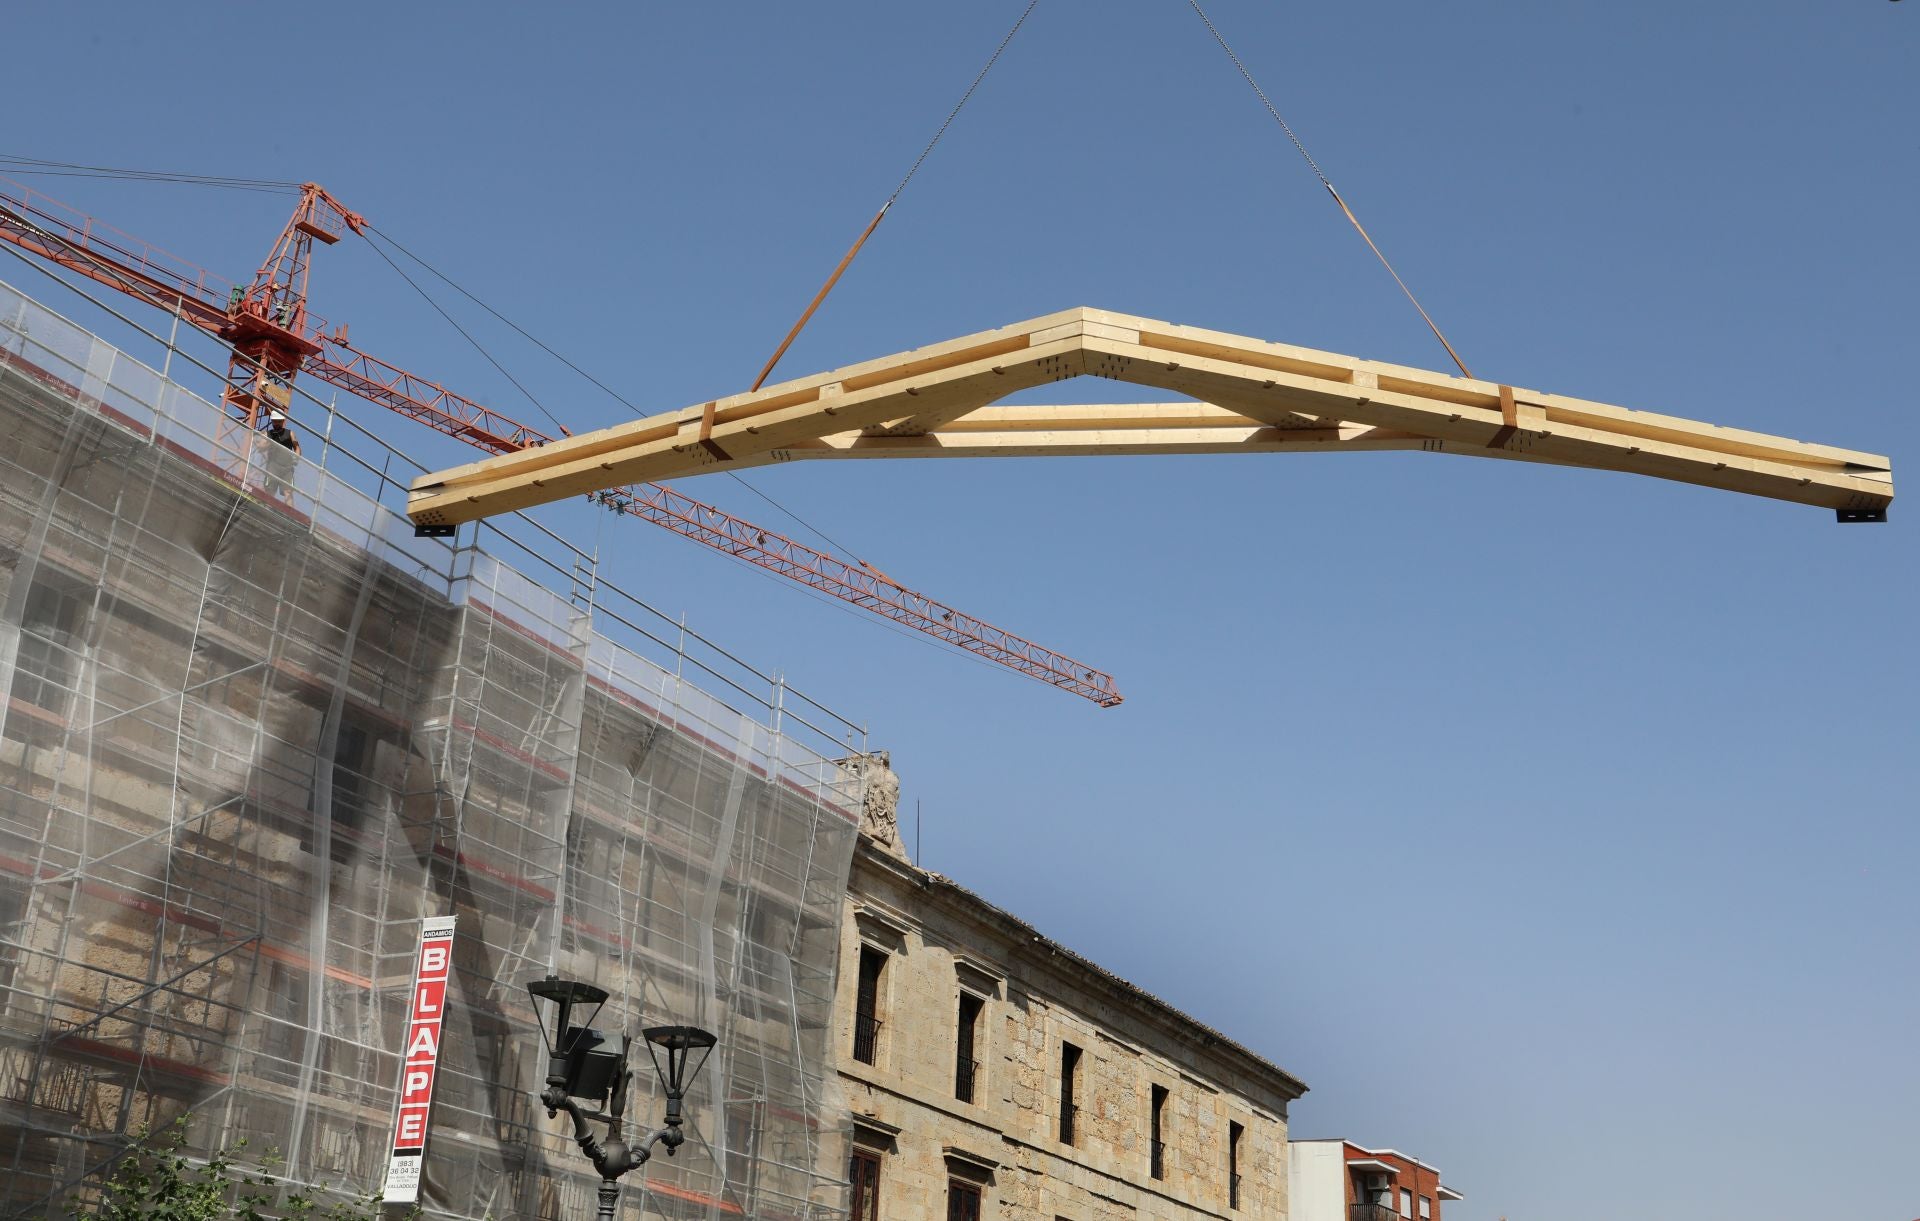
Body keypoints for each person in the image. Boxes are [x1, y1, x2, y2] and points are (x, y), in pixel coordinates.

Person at [262, 408, 300, 501]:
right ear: (272, 421)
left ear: (283, 421)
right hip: (272, 466)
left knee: (288, 492)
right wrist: (265, 442)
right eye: (275, 421)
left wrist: (296, 458)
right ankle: (266, 510)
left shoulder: (290, 433)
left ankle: (289, 515)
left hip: (287, 467)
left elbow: (297, 447)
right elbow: (261, 446)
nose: (276, 424)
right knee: (270, 492)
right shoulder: (267, 434)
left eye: (278, 421)